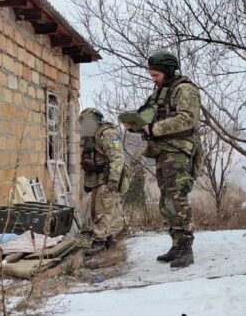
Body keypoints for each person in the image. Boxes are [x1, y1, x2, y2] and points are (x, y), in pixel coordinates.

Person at [124, 50, 202, 269]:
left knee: (177, 199)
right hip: (162, 152)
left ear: (168, 71)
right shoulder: (159, 92)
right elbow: (148, 115)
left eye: (156, 75)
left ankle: (186, 247)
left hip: (178, 151)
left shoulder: (185, 90)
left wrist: (154, 128)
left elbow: (187, 119)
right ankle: (177, 244)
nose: (153, 79)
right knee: (166, 201)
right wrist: (136, 125)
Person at [79, 108, 125, 256]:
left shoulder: (108, 134)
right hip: (96, 180)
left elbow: (117, 158)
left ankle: (99, 240)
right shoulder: (90, 137)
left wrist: (113, 179)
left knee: (102, 210)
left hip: (107, 179)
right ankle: (108, 238)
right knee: (96, 210)